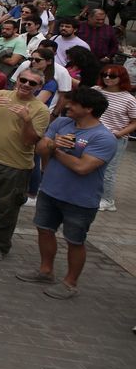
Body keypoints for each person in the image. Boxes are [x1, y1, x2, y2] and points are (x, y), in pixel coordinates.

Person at [17, 88, 117, 299]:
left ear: (88, 109)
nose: (67, 106)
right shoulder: (61, 123)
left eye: (73, 103)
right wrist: (52, 144)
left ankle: (70, 283)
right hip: (50, 191)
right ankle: (45, 271)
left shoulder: (104, 138)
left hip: (80, 200)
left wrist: (55, 150)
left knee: (75, 240)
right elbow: (40, 149)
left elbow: (82, 167)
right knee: (44, 230)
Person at [0, 68, 52, 262]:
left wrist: (26, 120)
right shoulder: (1, 95)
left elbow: (30, 141)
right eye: (23, 80)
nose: (25, 84)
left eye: (32, 83)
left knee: (6, 208)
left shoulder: (40, 110)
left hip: (16, 166)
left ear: (39, 86)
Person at [94, 65, 136, 211]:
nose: (107, 78)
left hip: (115, 139)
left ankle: (108, 200)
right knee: (90, 166)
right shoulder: (96, 91)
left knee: (108, 170)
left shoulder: (129, 99)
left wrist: (119, 133)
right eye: (105, 74)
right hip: (93, 135)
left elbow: (135, 121)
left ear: (121, 78)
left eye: (112, 76)